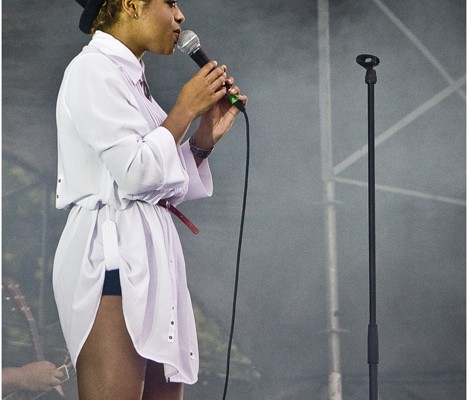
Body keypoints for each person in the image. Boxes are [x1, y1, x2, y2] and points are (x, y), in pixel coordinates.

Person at [52, 0, 247, 399]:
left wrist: (202, 141)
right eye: (170, 2)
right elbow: (137, 172)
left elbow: (162, 182)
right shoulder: (92, 71)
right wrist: (183, 110)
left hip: (151, 254)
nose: (180, 16)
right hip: (113, 254)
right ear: (131, 5)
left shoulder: (131, 79)